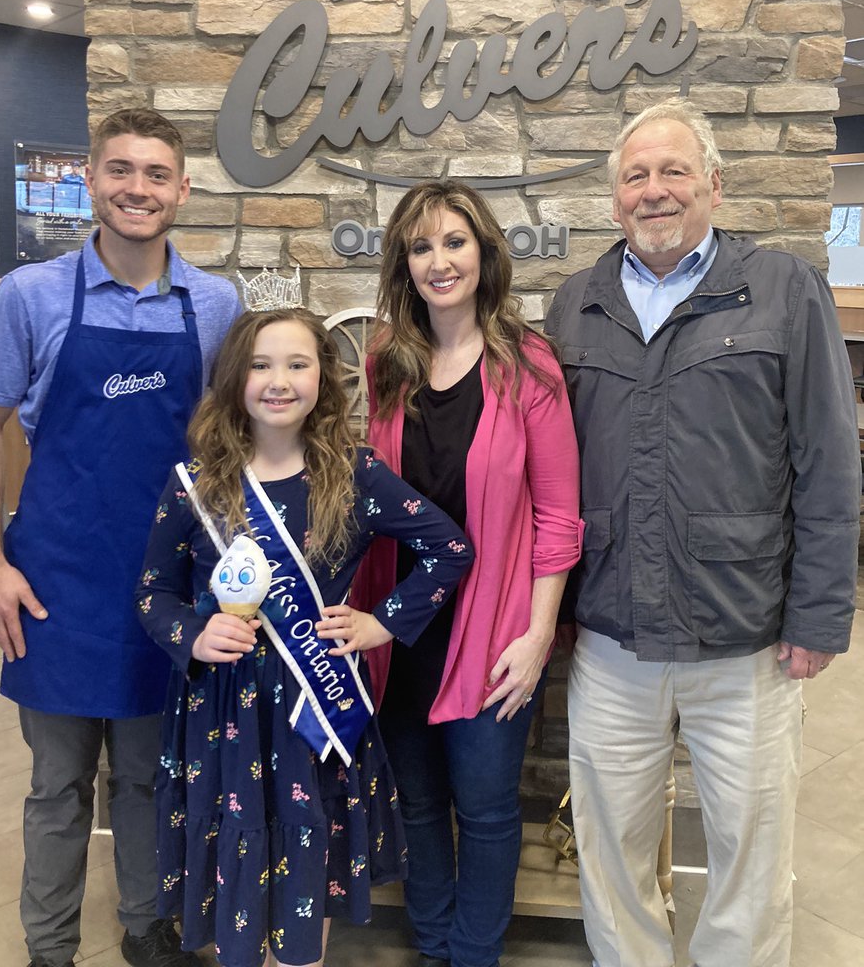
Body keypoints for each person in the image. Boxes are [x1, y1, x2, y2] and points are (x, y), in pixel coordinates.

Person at [544, 97, 861, 967]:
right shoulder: (576, 305)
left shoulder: (783, 289)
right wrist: (555, 607)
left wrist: (820, 614)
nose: (655, 190)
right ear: (613, 200)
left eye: (675, 170)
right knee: (611, 859)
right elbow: (552, 476)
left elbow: (829, 462)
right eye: (636, 175)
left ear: (714, 185)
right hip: (612, 642)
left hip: (747, 639)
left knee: (751, 867)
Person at [0, 108, 244, 967]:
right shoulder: (32, 294)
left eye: (157, 174)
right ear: (91, 179)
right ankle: (49, 949)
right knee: (57, 787)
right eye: (120, 170)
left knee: (148, 778)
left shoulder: (216, 304)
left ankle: (144, 926)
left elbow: (229, 441)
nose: (138, 188)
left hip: (167, 590)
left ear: (183, 189)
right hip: (54, 583)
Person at [136, 307, 474, 967]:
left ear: (325, 377)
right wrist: (194, 636)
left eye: (297, 364)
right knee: (235, 845)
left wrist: (382, 622)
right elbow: (152, 593)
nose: (278, 381)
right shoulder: (198, 482)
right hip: (222, 712)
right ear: (236, 377)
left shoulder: (355, 474)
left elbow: (449, 547)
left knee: (304, 851)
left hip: (309, 711)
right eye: (260, 365)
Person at [352, 182, 584, 967]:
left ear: (484, 253)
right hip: (401, 626)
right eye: (421, 247)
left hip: (494, 632)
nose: (439, 260)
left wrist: (540, 632)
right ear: (403, 264)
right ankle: (435, 943)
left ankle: (475, 954)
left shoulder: (528, 364)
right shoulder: (389, 361)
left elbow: (558, 518)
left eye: (455, 242)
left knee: (485, 810)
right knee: (416, 804)